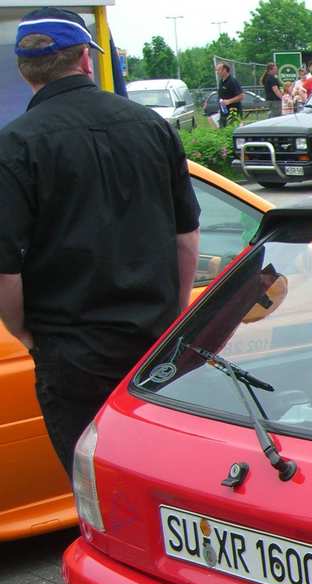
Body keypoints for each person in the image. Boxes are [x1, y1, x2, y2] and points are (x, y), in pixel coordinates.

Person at [0, 7, 200, 506]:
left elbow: (5, 269)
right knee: (164, 487)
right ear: (86, 60)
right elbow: (186, 236)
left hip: (72, 355)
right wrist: (175, 315)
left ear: (25, 70)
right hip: (154, 348)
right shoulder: (151, 126)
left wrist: (25, 334)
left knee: (100, 494)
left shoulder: (15, 145)